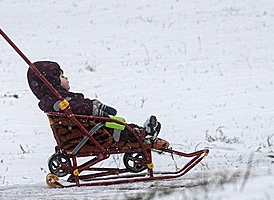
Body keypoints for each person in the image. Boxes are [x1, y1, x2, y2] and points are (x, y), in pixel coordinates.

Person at [27, 61, 170, 150]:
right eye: (62, 76)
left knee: (119, 125)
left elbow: (82, 102)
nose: (66, 78)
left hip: (88, 130)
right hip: (90, 135)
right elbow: (80, 108)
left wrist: (98, 105)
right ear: (52, 82)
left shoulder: (60, 98)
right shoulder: (58, 102)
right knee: (117, 129)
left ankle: (142, 132)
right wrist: (100, 113)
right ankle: (143, 136)